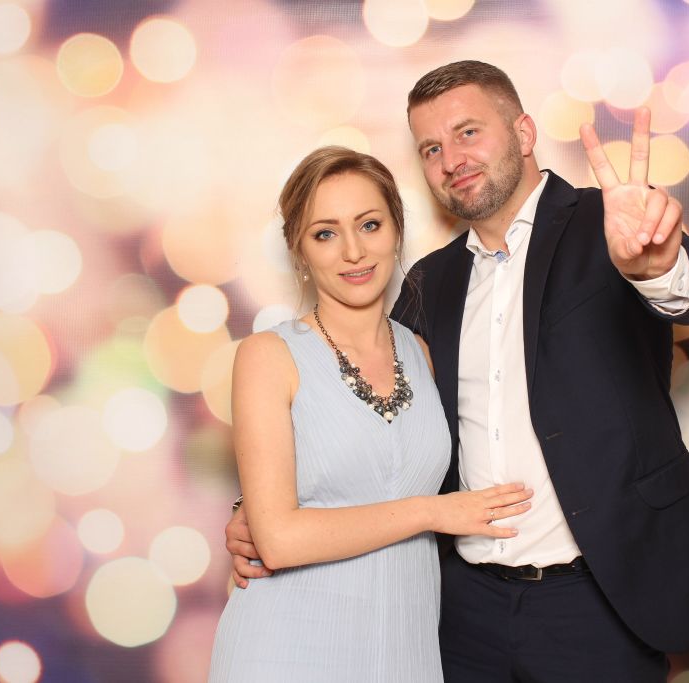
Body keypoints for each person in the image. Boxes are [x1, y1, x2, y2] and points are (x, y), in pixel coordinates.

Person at [228, 62, 689, 681]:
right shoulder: (431, 281)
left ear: (524, 133)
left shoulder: (610, 226)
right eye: (431, 148)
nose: (451, 159)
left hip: (599, 603)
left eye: (468, 132)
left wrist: (659, 266)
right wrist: (261, 503)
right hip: (461, 612)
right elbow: (368, 406)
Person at [209, 146, 534, 683]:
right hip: (287, 651)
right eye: (325, 233)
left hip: (406, 652)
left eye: (369, 224)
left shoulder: (422, 352)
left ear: (396, 230)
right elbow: (279, 540)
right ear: (298, 251)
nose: (354, 251)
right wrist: (432, 512)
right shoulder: (268, 356)